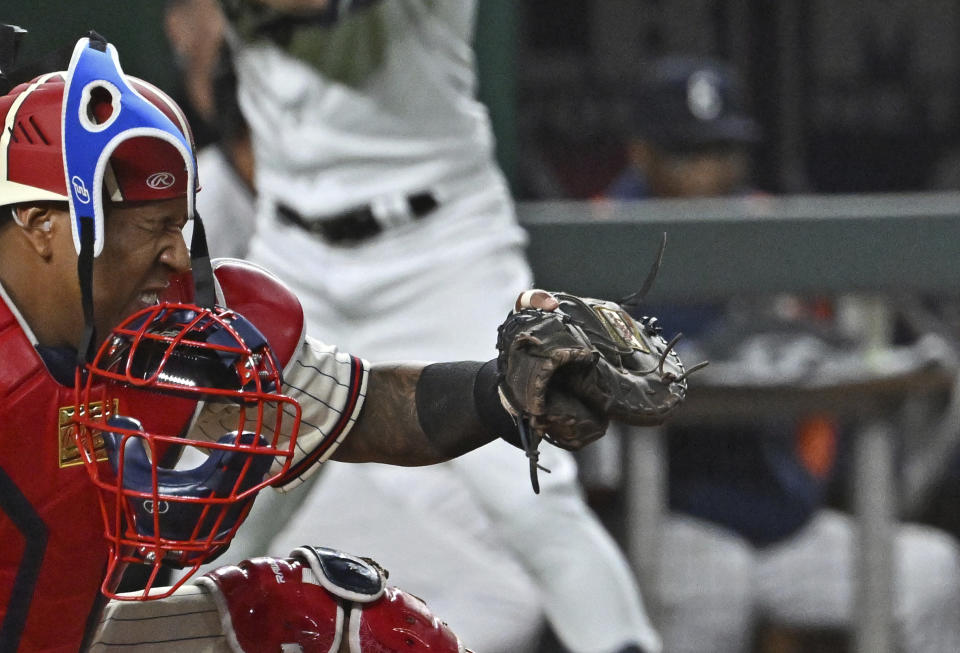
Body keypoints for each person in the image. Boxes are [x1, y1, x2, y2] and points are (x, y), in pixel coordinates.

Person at [0, 32, 671, 653]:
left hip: (81, 632)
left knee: (330, 617)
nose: (177, 256)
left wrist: (500, 393)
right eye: (150, 227)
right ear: (39, 224)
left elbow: (372, 411)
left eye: (181, 225)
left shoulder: (172, 331)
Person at [602, 55, 960, 653]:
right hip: (654, 516)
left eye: (724, 151)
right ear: (641, 154)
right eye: (689, 154)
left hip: (774, 520)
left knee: (929, 571)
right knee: (715, 588)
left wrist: (806, 481)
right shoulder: (596, 239)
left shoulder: (767, 232)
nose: (711, 173)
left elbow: (830, 377)